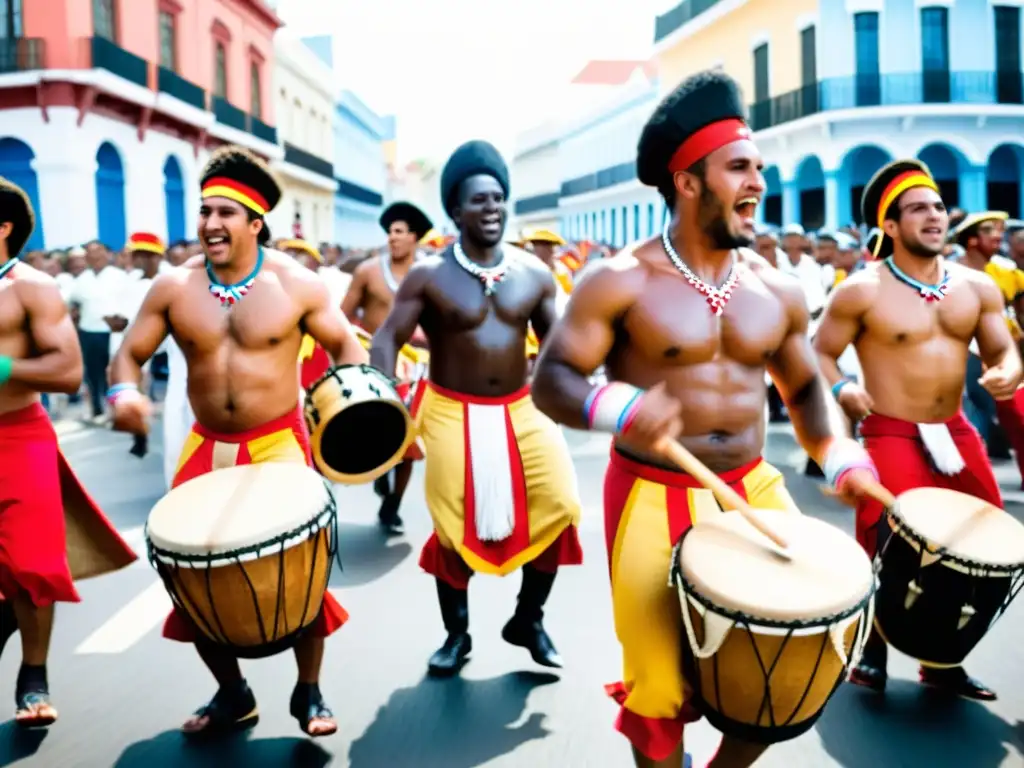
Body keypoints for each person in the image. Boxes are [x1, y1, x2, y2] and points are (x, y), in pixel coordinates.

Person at [530, 70, 882, 768]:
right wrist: (619, 406)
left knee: (784, 669)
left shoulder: (776, 289)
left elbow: (806, 388)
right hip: (650, 496)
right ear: (689, 182)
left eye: (760, 166)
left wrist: (838, 455)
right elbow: (554, 379)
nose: (759, 181)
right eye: (740, 167)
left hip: (753, 489)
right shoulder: (621, 279)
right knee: (657, 689)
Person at [108, 146, 368, 738]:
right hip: (204, 448)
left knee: (301, 569)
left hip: (279, 445)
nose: (210, 224)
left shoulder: (296, 284)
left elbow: (348, 347)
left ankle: (309, 691)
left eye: (226, 213)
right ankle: (233, 693)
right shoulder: (173, 286)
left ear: (256, 223)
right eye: (204, 212)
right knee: (190, 573)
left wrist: (348, 402)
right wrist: (126, 396)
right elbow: (130, 355)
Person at [370, 140, 583, 677]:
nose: (492, 209)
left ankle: (528, 619)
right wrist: (384, 392)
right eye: (479, 201)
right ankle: (457, 635)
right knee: (451, 524)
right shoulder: (428, 275)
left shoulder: (534, 273)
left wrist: (581, 379)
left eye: (498, 199)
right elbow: (387, 338)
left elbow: (555, 343)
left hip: (522, 406)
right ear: (456, 212)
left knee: (559, 503)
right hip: (448, 408)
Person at [814, 160, 1022, 700]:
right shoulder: (860, 290)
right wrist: (840, 391)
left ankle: (942, 659)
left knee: (983, 542)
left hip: (954, 432)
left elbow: (1004, 350)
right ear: (890, 225)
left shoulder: (978, 287)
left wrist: (1007, 373)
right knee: (891, 540)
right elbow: (818, 355)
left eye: (936, 206)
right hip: (891, 432)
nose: (933, 216)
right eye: (917, 209)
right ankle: (872, 652)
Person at [0, 177, 135, 727]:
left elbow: (69, 371)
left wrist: (3, 367)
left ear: (3, 227)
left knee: (31, 563)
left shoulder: (31, 287)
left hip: (18, 434)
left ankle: (34, 675)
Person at [342, 201, 434, 534]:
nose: (392, 238)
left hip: (414, 368)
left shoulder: (429, 273)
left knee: (410, 440)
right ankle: (380, 472)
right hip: (373, 362)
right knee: (378, 434)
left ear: (414, 238)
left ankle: (392, 505)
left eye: (399, 232)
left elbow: (436, 321)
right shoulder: (367, 271)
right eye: (390, 232)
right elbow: (342, 316)